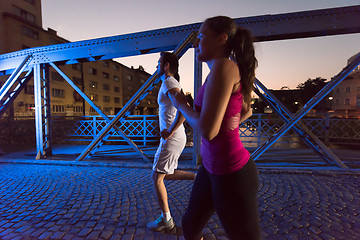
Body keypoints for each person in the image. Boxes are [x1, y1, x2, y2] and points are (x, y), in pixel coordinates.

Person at [169, 16, 261, 239]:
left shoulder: (224, 67)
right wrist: (227, 126)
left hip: (231, 173)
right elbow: (246, 110)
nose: (195, 43)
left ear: (221, 39)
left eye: (201, 37)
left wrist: (181, 105)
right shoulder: (222, 70)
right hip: (211, 169)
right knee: (190, 225)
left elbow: (208, 131)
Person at [147, 52, 196, 232]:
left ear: (166, 65)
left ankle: (166, 221)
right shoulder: (171, 83)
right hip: (176, 137)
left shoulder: (169, 82)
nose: (156, 66)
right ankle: (199, 178)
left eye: (159, 62)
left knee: (157, 178)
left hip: (172, 138)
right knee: (165, 173)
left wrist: (170, 131)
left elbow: (184, 108)